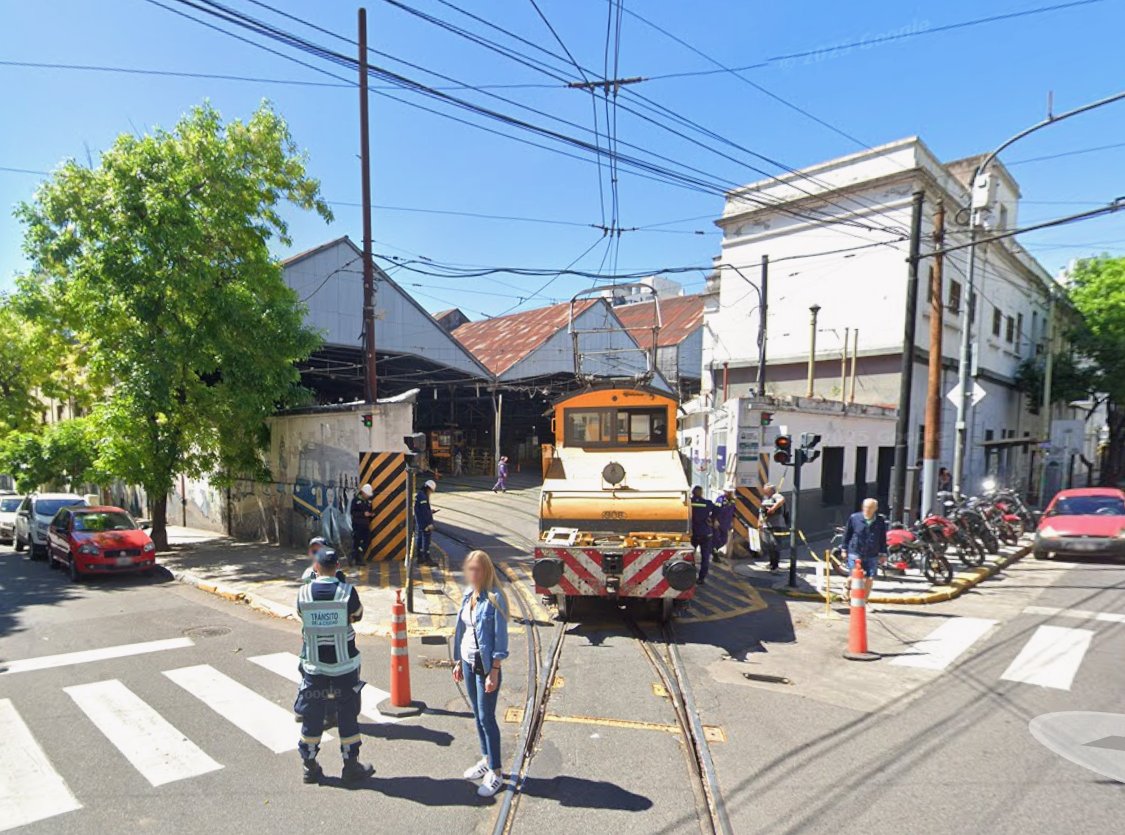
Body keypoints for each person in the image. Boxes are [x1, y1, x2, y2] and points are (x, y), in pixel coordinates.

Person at [294, 548, 373, 786]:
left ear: (315, 567)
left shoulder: (303, 593)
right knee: (347, 714)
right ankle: (351, 766)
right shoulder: (347, 592)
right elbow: (357, 615)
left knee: (312, 715)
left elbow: (301, 615)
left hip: (314, 667)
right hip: (344, 666)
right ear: (337, 566)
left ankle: (309, 766)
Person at [452, 550, 510, 798]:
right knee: (477, 713)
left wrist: (494, 671)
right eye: (470, 569)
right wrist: (457, 661)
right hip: (467, 661)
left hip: (485, 665)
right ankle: (486, 758)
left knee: (487, 717)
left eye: (477, 569)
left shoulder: (495, 599)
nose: (472, 573)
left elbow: (500, 639)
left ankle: (496, 772)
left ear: (486, 571)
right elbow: (462, 630)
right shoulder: (468, 595)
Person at [842, 498, 888, 596]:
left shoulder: (880, 521)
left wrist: (883, 553)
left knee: (869, 578)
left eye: (871, 507)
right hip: (856, 551)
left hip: (872, 553)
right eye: (866, 507)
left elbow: (882, 538)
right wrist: (844, 549)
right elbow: (847, 534)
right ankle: (847, 587)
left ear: (875, 508)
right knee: (854, 576)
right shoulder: (854, 518)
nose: (868, 509)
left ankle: (865, 600)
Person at [689, 486, 718, 584]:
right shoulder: (708, 503)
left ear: (692, 493)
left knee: (690, 556)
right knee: (705, 557)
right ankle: (701, 578)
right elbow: (717, 510)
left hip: (692, 533)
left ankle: (690, 576)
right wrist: (712, 519)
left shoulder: (688, 503)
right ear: (701, 493)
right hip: (706, 533)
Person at [759, 484, 787, 571]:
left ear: (770, 490)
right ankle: (771, 563)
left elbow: (782, 500)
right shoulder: (765, 498)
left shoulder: (776, 496)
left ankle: (775, 565)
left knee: (775, 544)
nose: (764, 491)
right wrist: (760, 521)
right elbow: (761, 510)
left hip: (776, 525)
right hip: (766, 525)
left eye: (766, 490)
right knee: (769, 545)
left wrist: (773, 508)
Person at [349, 483, 374, 565]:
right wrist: (363, 514)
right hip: (357, 524)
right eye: (367, 494)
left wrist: (370, 515)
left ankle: (359, 555)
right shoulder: (355, 501)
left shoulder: (368, 501)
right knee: (357, 541)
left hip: (365, 525)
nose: (368, 496)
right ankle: (354, 557)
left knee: (367, 540)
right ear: (363, 492)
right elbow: (353, 513)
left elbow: (370, 510)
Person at [414, 479, 437, 567]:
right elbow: (424, 511)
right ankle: (427, 559)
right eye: (431, 491)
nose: (431, 493)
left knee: (420, 538)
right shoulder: (423, 497)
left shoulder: (420, 495)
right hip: (424, 523)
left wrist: (430, 511)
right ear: (428, 489)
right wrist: (429, 524)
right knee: (426, 540)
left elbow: (422, 510)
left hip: (420, 522)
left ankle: (420, 557)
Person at [713, 488, 736, 561]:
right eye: (728, 492)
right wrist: (715, 520)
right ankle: (715, 555)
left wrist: (732, 522)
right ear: (725, 492)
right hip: (719, 523)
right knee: (716, 539)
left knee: (724, 540)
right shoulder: (720, 499)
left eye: (731, 492)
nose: (729, 493)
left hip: (726, 524)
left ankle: (714, 550)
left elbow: (733, 513)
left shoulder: (733, 501)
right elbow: (715, 510)